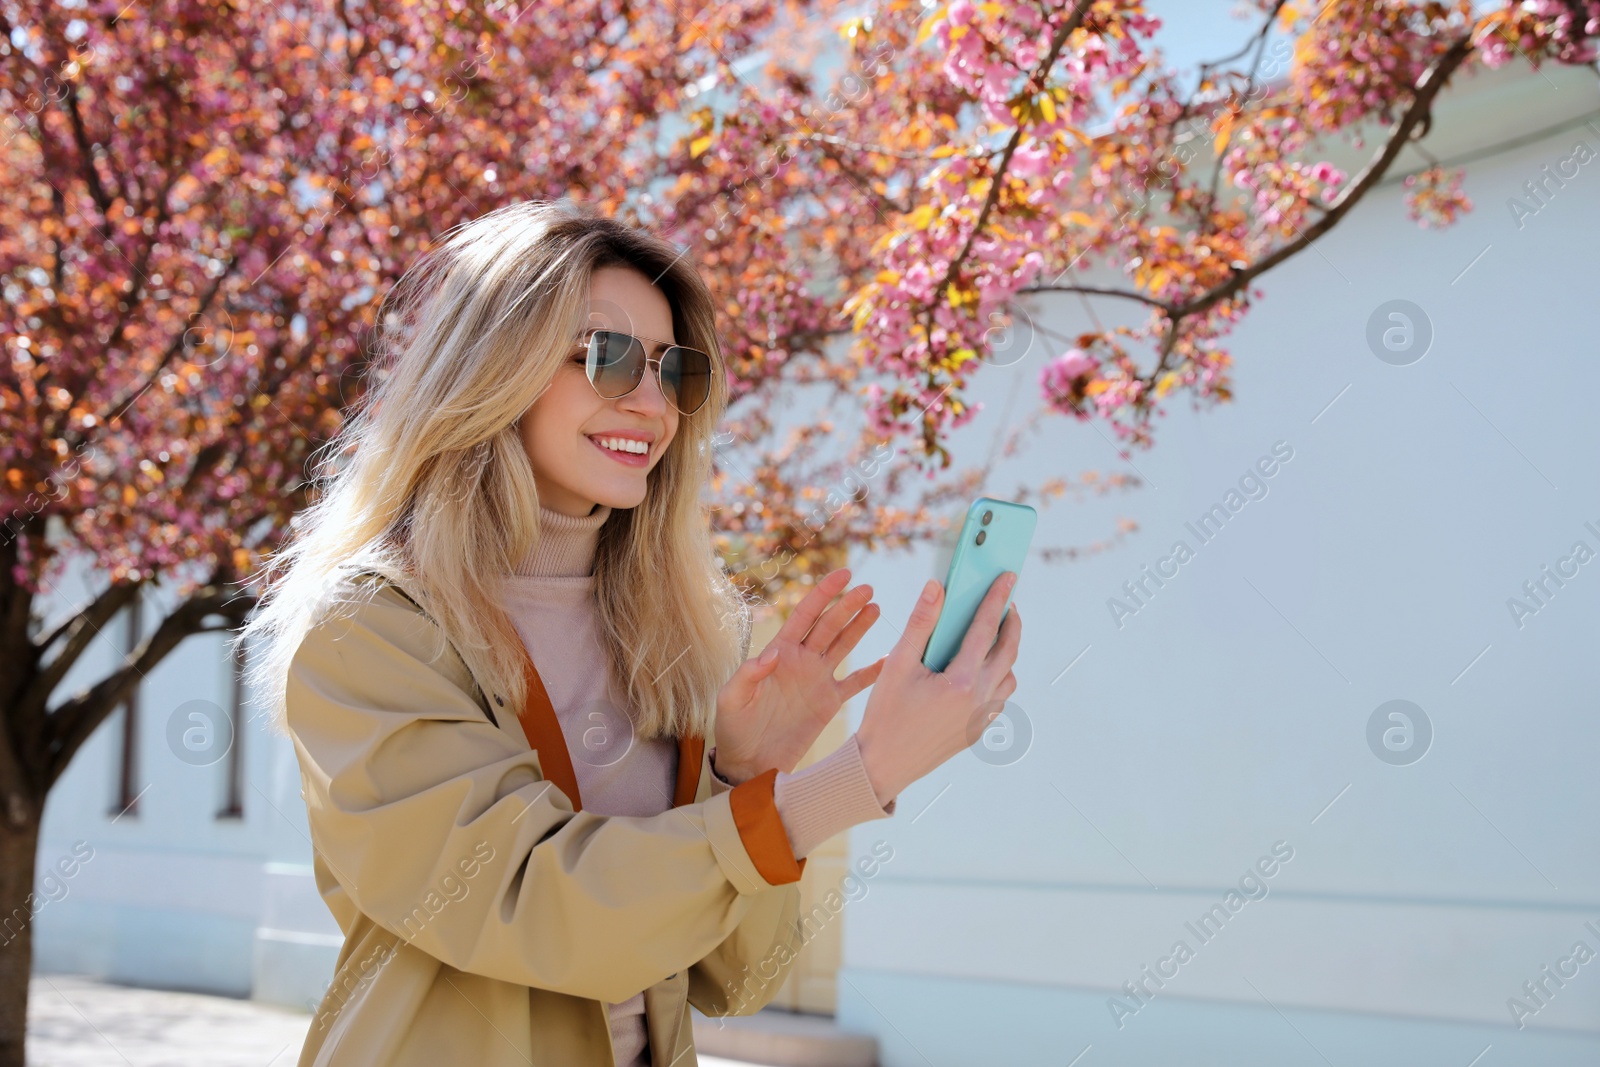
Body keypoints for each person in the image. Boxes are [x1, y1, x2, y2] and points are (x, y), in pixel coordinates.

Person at [240, 200, 1022, 1067]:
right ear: (493, 367)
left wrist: (741, 775)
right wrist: (861, 775)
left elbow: (739, 977)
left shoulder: (671, 630)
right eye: (606, 358)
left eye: (674, 371)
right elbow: (533, 900)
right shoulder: (374, 628)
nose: (651, 403)